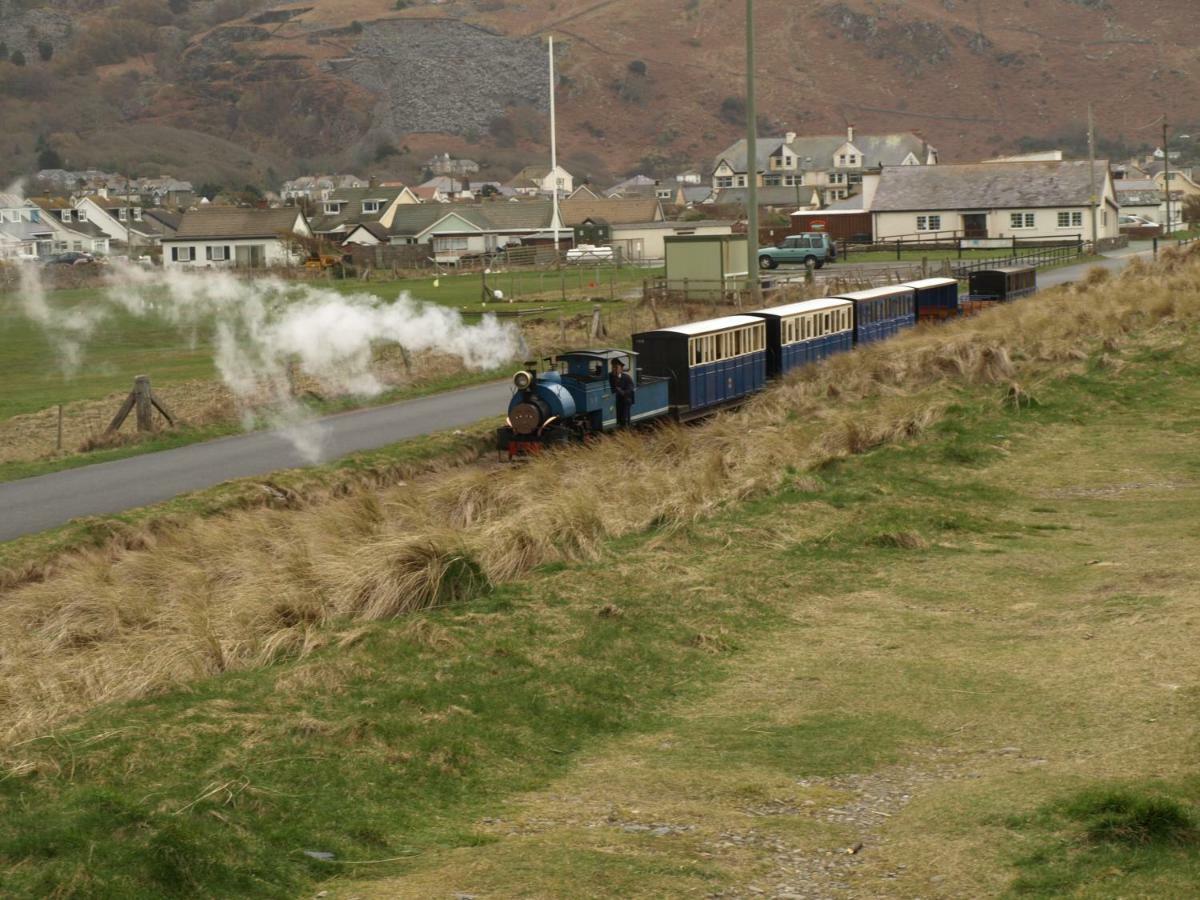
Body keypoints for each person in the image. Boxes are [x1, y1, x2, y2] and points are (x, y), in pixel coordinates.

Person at [609, 357, 635, 429]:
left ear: (621, 368)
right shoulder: (610, 377)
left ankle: (626, 427)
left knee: (624, 418)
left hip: (624, 400)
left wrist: (622, 392)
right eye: (613, 367)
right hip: (615, 401)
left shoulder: (626, 377)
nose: (614, 369)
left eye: (616, 367)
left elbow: (630, 389)